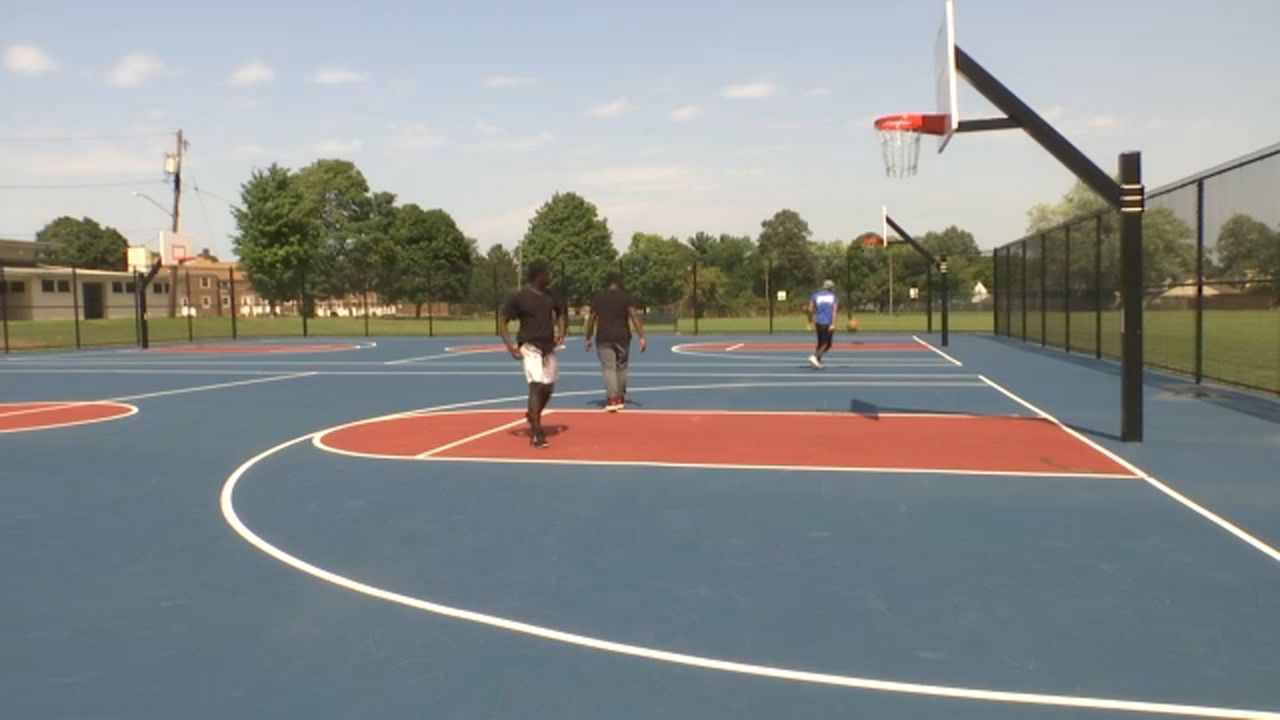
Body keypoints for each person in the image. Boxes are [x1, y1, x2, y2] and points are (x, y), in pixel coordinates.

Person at [499, 261, 566, 448]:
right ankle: (536, 432)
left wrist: (561, 331)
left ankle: (533, 414)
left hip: (548, 347)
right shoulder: (520, 297)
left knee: (548, 388)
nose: (550, 277)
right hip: (530, 347)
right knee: (536, 386)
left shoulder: (550, 295)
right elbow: (502, 318)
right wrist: (510, 345)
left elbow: (560, 312)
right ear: (539, 275)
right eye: (548, 273)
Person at [584, 272, 647, 412]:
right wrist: (641, 336)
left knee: (609, 367)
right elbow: (634, 316)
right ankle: (620, 397)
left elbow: (592, 318)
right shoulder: (626, 297)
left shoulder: (599, 297)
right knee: (622, 366)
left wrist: (588, 337)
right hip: (623, 336)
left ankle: (612, 398)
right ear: (620, 282)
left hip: (604, 337)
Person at [808, 279, 839, 369]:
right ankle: (814, 356)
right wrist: (833, 324)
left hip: (818, 322)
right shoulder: (833, 297)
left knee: (820, 342)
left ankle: (818, 359)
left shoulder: (815, 295)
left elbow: (810, 310)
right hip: (827, 323)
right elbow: (834, 311)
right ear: (831, 288)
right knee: (827, 344)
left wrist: (810, 320)